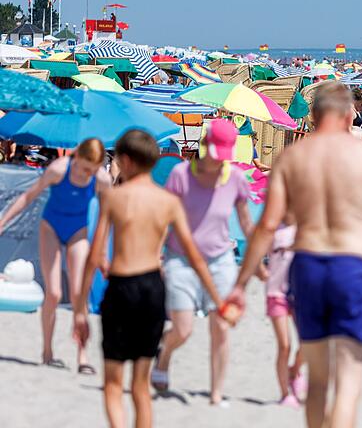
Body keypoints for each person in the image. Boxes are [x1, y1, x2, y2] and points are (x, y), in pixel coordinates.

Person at [224, 82, 362, 428]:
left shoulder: (293, 157)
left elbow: (266, 227)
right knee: (348, 381)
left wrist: (240, 283)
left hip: (306, 266)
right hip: (351, 266)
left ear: (312, 115)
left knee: (318, 380)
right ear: (348, 113)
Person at [72, 130, 232, 428]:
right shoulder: (168, 202)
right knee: (141, 389)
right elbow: (194, 256)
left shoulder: (113, 197)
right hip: (153, 289)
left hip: (121, 287)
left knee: (113, 384)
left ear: (126, 161)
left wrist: (80, 310)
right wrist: (219, 300)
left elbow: (94, 257)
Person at [151, 119, 253, 406]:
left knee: (221, 327)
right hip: (180, 259)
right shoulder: (182, 174)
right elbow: (164, 218)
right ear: (204, 145)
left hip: (221, 260)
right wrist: (156, 255)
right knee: (183, 328)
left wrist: (260, 261)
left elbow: (246, 224)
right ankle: (165, 357)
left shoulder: (235, 178)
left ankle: (216, 393)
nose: (218, 161)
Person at [0, 139, 111, 373]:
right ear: (76, 158)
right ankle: (47, 351)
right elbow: (28, 196)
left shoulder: (101, 178)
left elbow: (107, 213)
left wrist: (101, 248)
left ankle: (82, 355)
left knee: (79, 292)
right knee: (54, 292)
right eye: (84, 168)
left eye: (92, 170)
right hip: (50, 227)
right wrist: (2, 222)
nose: (86, 174)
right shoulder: (59, 169)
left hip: (78, 231)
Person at [265, 223, 305, 407]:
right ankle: (284, 394)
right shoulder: (271, 227)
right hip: (276, 293)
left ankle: (294, 371)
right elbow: (256, 249)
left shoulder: (305, 226)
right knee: (284, 346)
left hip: (301, 293)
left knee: (307, 343)